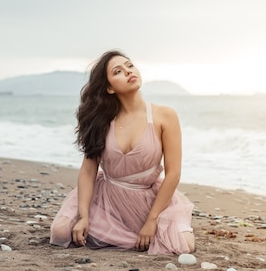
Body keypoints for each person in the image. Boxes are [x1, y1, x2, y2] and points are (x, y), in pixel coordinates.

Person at [50, 50, 195, 255]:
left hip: (147, 201)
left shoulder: (165, 116)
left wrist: (152, 220)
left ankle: (136, 229)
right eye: (118, 71)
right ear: (109, 87)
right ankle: (102, 227)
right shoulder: (100, 121)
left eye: (130, 66)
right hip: (107, 197)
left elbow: (173, 173)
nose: (128, 71)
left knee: (183, 245)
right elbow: (88, 171)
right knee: (61, 232)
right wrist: (83, 216)